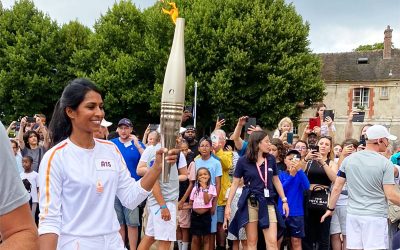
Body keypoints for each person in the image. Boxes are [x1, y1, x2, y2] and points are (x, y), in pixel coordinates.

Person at [38, 78, 179, 249]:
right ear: (71, 112)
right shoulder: (55, 157)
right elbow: (49, 220)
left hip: (113, 242)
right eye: (91, 107)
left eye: (101, 106)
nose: (99, 113)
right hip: (76, 244)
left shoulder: (110, 150)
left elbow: (130, 198)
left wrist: (157, 166)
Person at [321, 125, 400, 250]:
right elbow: (390, 194)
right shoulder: (385, 163)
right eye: (386, 139)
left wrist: (330, 208)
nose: (388, 143)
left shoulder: (349, 160)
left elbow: (337, 188)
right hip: (375, 216)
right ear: (379, 140)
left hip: (353, 215)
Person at [226, 131, 289, 250]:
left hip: (268, 202)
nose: (269, 144)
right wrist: (228, 205)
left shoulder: (270, 159)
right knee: (251, 241)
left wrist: (284, 200)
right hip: (251, 202)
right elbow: (234, 184)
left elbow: (276, 180)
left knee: (272, 241)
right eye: (266, 141)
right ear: (258, 143)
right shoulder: (243, 160)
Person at [136, 132, 187, 250]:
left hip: (161, 202)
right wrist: (163, 206)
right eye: (178, 135)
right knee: (165, 241)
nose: (180, 138)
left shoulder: (157, 150)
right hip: (164, 202)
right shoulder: (161, 152)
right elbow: (154, 181)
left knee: (150, 237)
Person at [0, 120, 39, 249]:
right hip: (20, 183)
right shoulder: (23, 152)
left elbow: (22, 232)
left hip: (24, 191)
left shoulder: (41, 151)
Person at [111, 118, 146, 250]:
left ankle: (132, 248)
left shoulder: (138, 143)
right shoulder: (112, 144)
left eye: (126, 128)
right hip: (115, 188)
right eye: (121, 128)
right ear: (117, 129)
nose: (123, 130)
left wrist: (137, 144)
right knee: (119, 222)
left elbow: (148, 161)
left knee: (132, 222)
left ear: (131, 129)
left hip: (132, 188)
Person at [302, 136, 338, 250]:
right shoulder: (309, 161)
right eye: (321, 143)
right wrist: (306, 159)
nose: (323, 146)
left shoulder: (331, 163)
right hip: (309, 196)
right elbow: (298, 172)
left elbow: (334, 179)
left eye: (327, 144)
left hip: (324, 198)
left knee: (323, 232)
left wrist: (322, 162)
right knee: (307, 231)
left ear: (330, 149)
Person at [188, 137, 222, 250]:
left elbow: (218, 184)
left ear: (211, 148)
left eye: (207, 145)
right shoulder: (195, 162)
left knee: (210, 233)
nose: (204, 148)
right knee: (196, 235)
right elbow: (192, 183)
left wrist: (214, 203)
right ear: (198, 148)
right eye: (202, 145)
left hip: (210, 200)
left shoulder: (216, 163)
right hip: (197, 201)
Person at [277, 150, 310, 250]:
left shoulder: (301, 174)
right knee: (277, 240)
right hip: (281, 212)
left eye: (295, 159)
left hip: (296, 213)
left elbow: (307, 187)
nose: (292, 161)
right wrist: (291, 176)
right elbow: (281, 189)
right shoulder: (280, 174)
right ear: (285, 160)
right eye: (290, 159)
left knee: (296, 242)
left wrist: (299, 170)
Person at [329, 139, 357, 250]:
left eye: (352, 148)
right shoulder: (335, 161)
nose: (349, 150)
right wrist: (343, 155)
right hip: (335, 202)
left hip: (348, 203)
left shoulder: (357, 161)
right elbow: (336, 175)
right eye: (346, 147)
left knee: (346, 234)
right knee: (334, 233)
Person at [211, 129, 233, 250]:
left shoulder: (227, 153)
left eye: (218, 139)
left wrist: (217, 151)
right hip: (206, 196)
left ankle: (221, 247)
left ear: (224, 142)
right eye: (214, 138)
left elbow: (226, 164)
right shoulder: (206, 152)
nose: (215, 141)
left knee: (220, 225)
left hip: (220, 197)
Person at [189, 167, 217, 250]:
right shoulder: (195, 189)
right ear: (197, 178)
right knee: (195, 238)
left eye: (205, 174)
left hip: (205, 216)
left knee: (206, 238)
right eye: (200, 175)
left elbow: (206, 201)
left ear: (209, 176)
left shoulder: (211, 188)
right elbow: (191, 201)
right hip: (195, 216)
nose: (203, 176)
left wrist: (204, 188)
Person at [223, 178, 247, 250]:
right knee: (235, 241)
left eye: (241, 176)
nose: (239, 178)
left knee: (245, 241)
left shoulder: (247, 189)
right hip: (233, 219)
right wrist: (225, 221)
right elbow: (227, 206)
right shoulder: (229, 190)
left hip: (244, 219)